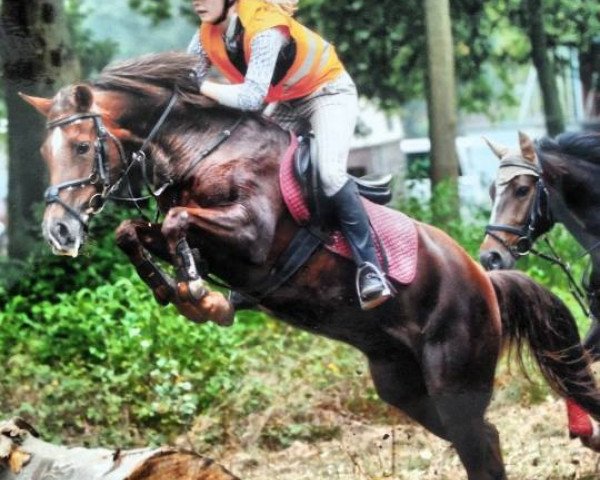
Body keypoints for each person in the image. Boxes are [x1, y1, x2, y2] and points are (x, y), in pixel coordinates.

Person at [187, 0, 391, 309]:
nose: (196, 1)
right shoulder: (206, 34)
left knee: (329, 173)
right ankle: (259, 275)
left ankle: (370, 269)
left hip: (327, 92)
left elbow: (250, 97)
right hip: (287, 101)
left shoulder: (265, 26)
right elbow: (184, 78)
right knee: (248, 168)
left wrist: (202, 85)